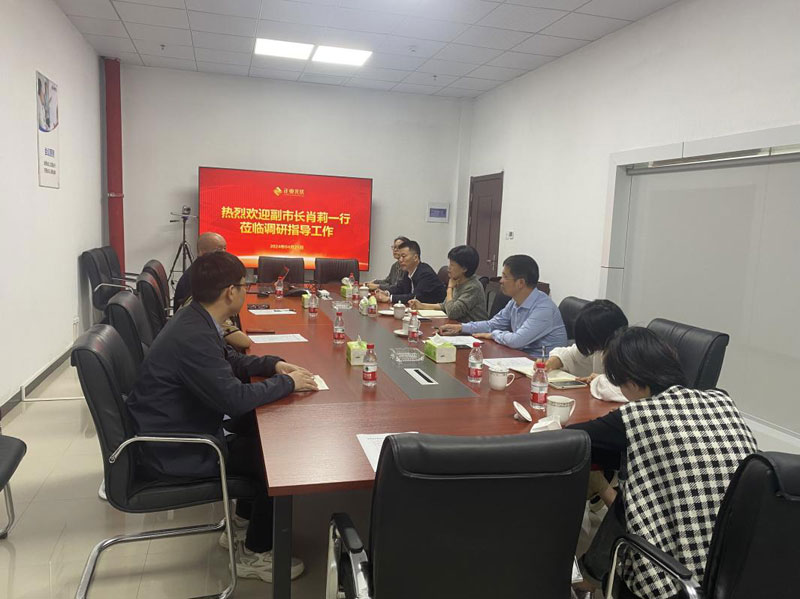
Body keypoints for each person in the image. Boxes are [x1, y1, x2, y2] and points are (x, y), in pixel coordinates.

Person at [126, 251, 318, 583]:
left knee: (256, 433)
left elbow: (229, 361)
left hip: (181, 425)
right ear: (231, 292)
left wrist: (272, 364)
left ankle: (241, 525)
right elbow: (235, 399)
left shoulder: (196, 319)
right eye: (244, 285)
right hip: (178, 448)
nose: (246, 290)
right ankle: (256, 554)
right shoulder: (195, 335)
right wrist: (287, 383)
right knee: (276, 456)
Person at [569, 327, 757, 599]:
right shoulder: (721, 400)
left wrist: (598, 483)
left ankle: (587, 577)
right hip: (742, 564)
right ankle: (589, 576)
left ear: (633, 383)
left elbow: (569, 441)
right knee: (641, 481)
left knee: (636, 482)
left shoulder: (638, 417)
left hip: (677, 578)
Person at [439, 255, 567, 355]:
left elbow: (517, 341)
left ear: (520, 283)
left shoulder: (543, 308)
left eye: (505, 277)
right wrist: (461, 328)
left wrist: (493, 335)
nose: (501, 281)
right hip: (521, 358)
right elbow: (492, 325)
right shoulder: (515, 302)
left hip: (543, 367)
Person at [173, 232, 251, 351]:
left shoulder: (199, 273)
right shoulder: (200, 281)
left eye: (225, 249)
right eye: (219, 250)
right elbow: (242, 342)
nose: (224, 254)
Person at [547, 300, 628, 401]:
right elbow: (571, 355)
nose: (595, 351)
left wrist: (599, 380)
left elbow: (626, 391)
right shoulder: (599, 347)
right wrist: (554, 360)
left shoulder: (630, 353)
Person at [408, 244, 488, 322]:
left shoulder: (473, 287)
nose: (448, 268)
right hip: (457, 325)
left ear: (464, 269)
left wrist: (450, 288)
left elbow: (452, 313)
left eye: (452, 265)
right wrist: (422, 306)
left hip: (472, 329)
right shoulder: (458, 280)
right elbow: (445, 305)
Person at [375, 240, 446, 305]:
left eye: (403, 256)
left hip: (434, 312)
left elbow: (416, 297)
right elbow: (399, 288)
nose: (400, 260)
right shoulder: (408, 271)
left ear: (415, 257)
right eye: (399, 257)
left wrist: (389, 298)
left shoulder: (425, 273)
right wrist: (386, 293)